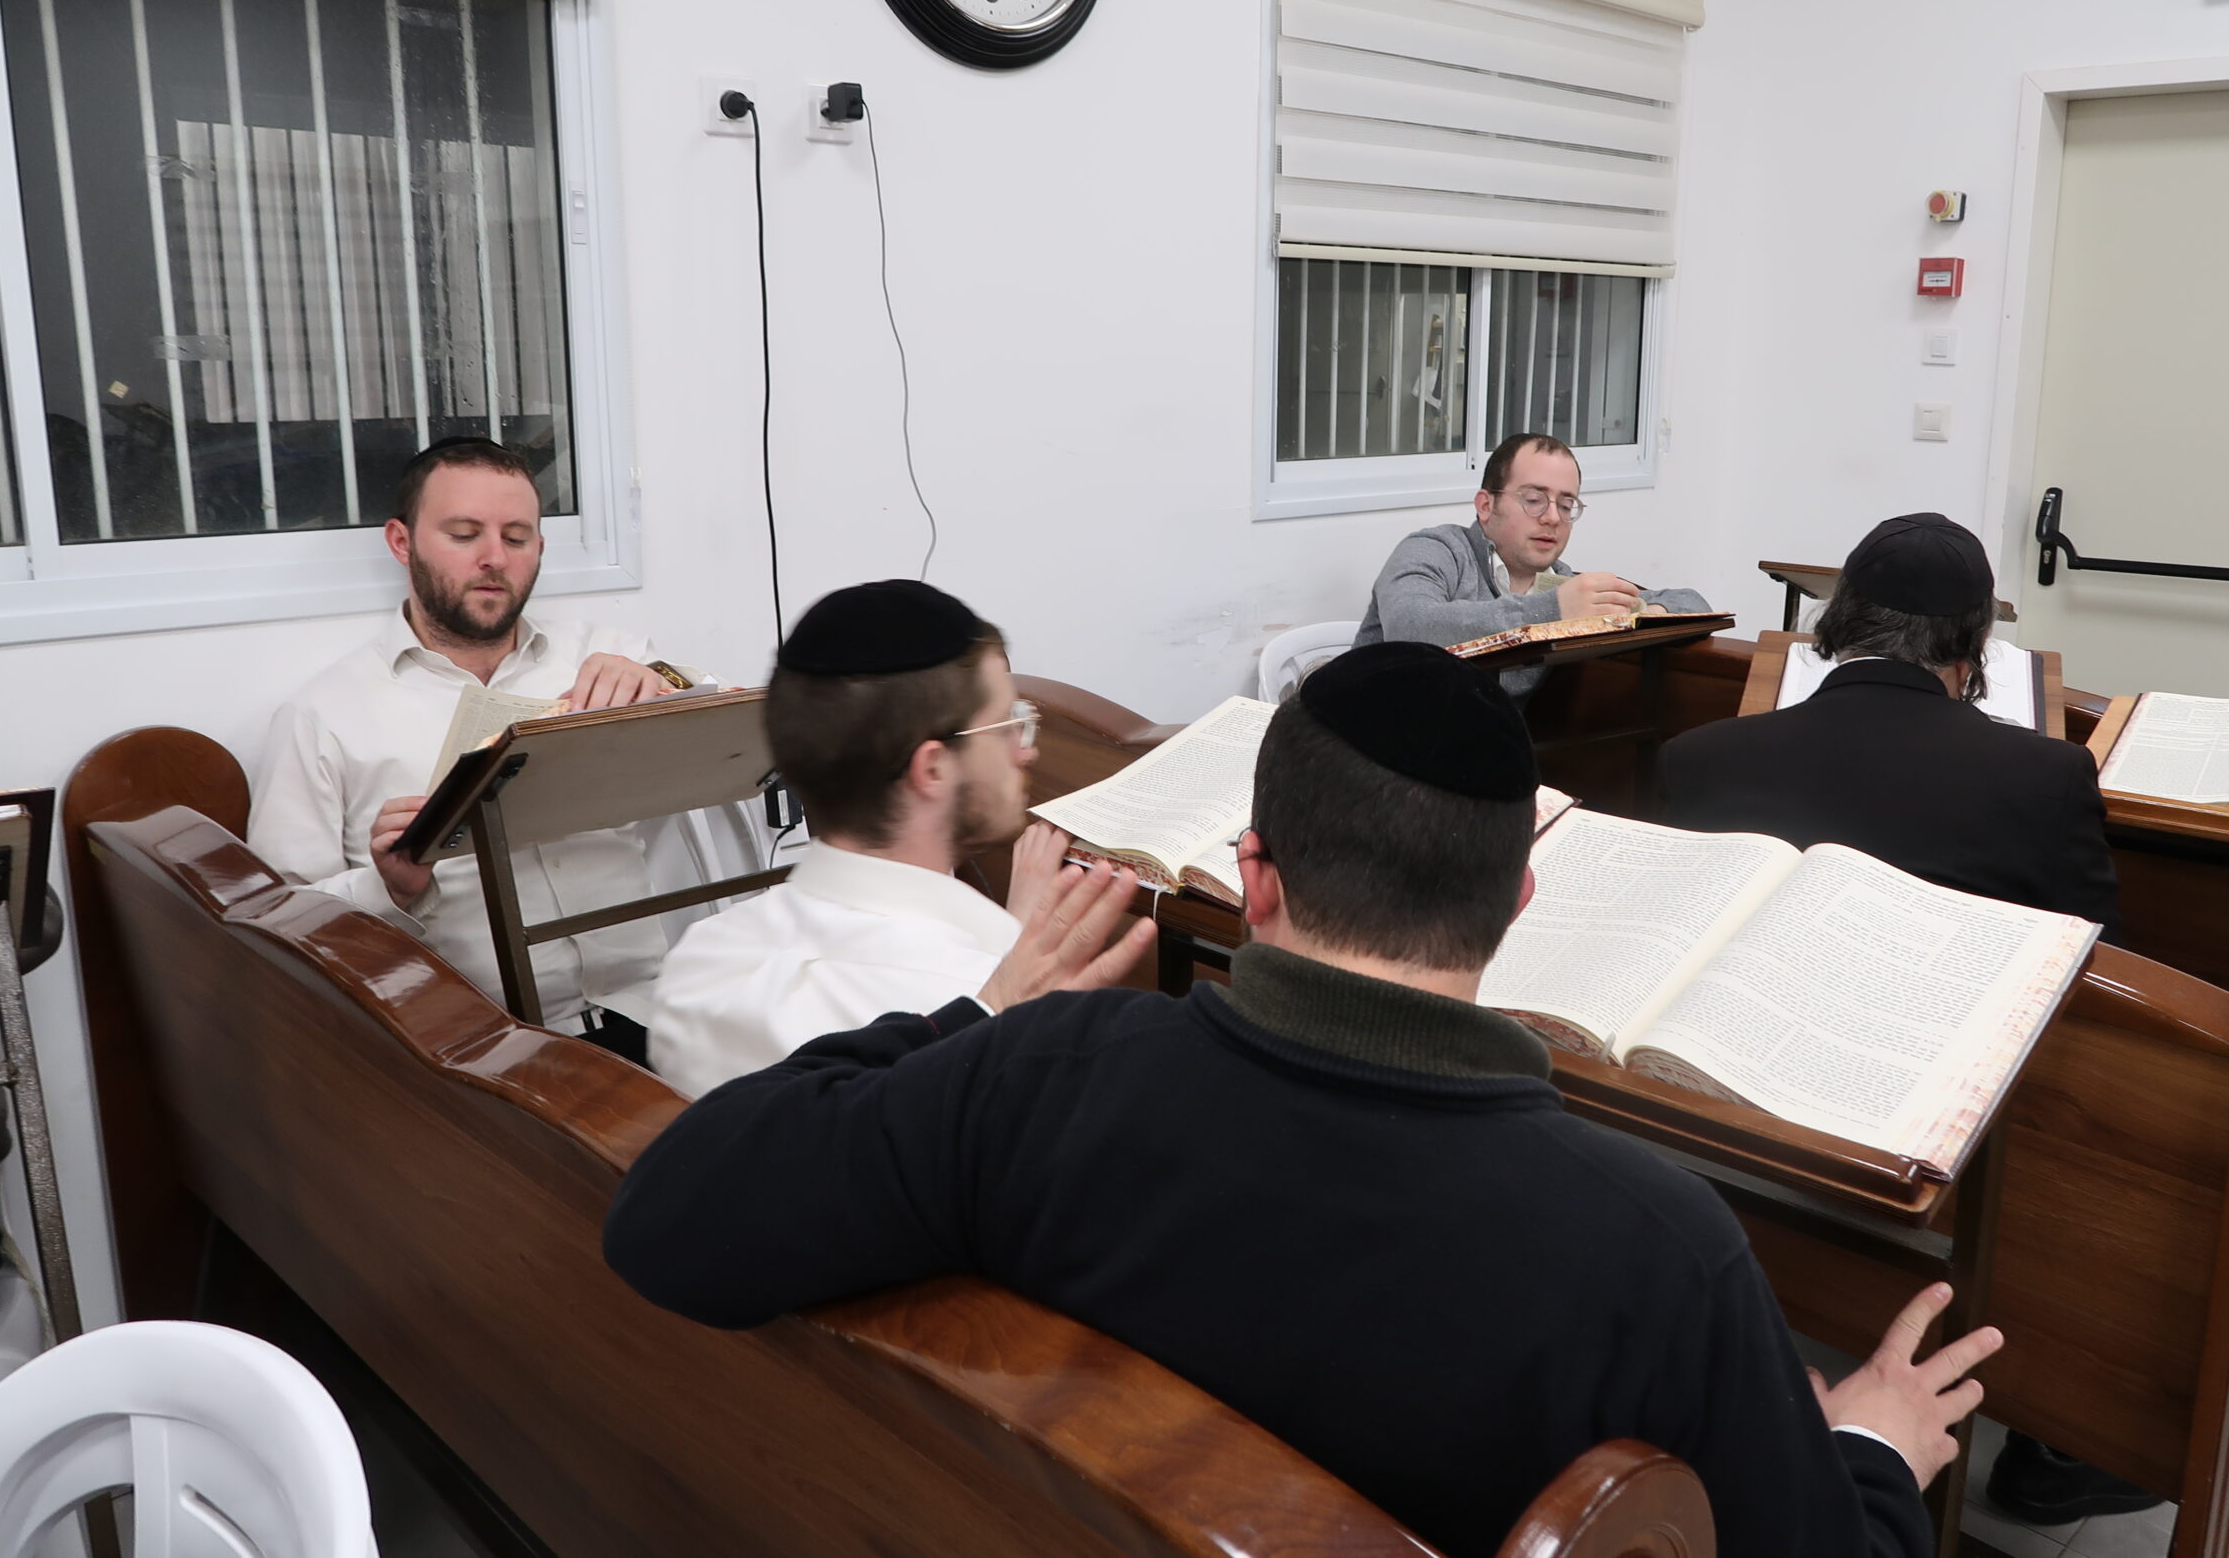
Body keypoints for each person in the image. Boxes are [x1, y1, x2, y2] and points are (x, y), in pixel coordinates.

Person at [604, 641, 1996, 1558]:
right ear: (1517, 900)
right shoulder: (1657, 1247)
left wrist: (984, 1008)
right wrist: (1871, 1445)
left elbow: (671, 1218)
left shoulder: (1043, 1070)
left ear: (1255, 874)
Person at [1657, 513, 2141, 1526]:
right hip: (1932, 1154)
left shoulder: (1698, 758)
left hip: (1717, 1128)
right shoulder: (2043, 777)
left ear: (1837, 625)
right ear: (1972, 650)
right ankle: (2057, 1436)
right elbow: (2089, 977)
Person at [249, 438, 681, 1048]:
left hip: (651, 1010)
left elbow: (740, 733)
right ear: (402, 542)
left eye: (516, 537)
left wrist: (668, 683)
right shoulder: (323, 715)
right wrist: (391, 889)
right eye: (463, 534)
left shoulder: (607, 654)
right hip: (473, 1050)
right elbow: (279, 924)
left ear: (540, 547)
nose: (494, 558)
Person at [647, 579, 1074, 1099]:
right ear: (933, 768)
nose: (1025, 751)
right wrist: (1013, 948)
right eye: (1006, 725)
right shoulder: (983, 998)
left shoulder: (697, 964)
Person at [1659, 513, 2121, 933]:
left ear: (1839, 615)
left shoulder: (1695, 758)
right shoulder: (2049, 776)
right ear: (1977, 639)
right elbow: (2092, 954)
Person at [1353, 433, 1710, 694]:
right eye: (1534, 499)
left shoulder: (1562, 584)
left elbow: (1691, 602)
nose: (1552, 517)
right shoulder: (1435, 550)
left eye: (1566, 505)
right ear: (1486, 506)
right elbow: (1411, 627)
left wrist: (1645, 614)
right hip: (1370, 743)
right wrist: (1554, 611)